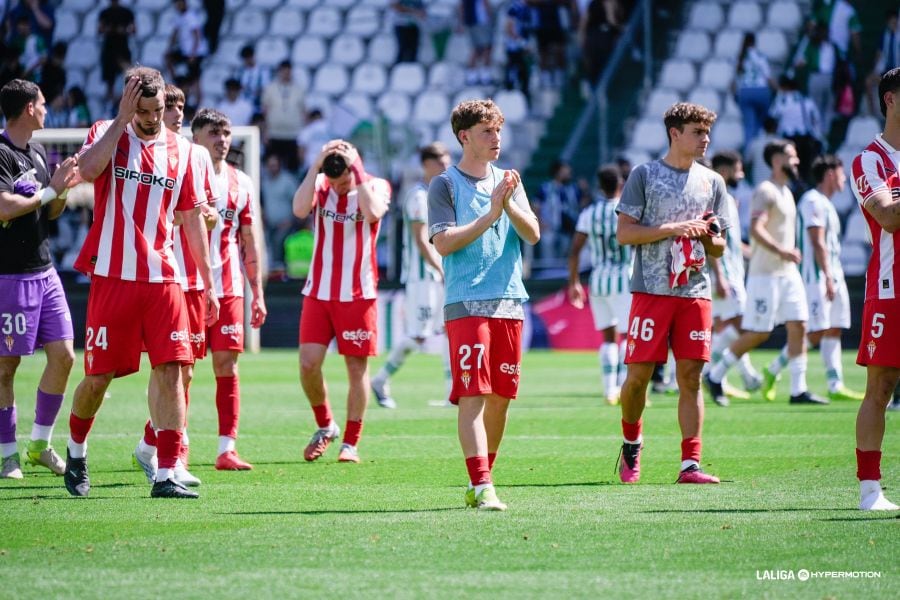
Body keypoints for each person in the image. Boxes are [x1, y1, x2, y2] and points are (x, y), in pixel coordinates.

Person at [63, 67, 219, 499]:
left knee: (172, 370)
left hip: (164, 276)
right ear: (130, 103)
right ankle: (76, 451)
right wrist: (121, 119)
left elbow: (191, 219)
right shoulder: (106, 132)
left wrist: (208, 282)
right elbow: (87, 170)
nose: (152, 119)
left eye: (157, 110)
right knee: (99, 378)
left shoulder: (183, 152)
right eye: (144, 110)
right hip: (114, 276)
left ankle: (166, 471)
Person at [428, 99, 540, 510]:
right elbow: (443, 243)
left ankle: (481, 479)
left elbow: (533, 234)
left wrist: (507, 204)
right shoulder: (444, 185)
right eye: (486, 132)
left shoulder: (509, 180)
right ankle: (482, 484)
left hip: (509, 300)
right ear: (464, 137)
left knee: (501, 398)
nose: (496, 139)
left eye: (498, 131)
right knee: (473, 393)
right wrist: (492, 213)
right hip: (466, 301)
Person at [614, 102, 726, 486]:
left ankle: (690, 464)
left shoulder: (713, 182)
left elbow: (720, 247)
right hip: (652, 290)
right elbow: (624, 233)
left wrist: (707, 236)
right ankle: (632, 442)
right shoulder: (644, 175)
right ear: (674, 134)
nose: (705, 139)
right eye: (697, 132)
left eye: (707, 132)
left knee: (691, 376)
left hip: (695, 290)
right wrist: (673, 228)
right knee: (638, 378)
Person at [132, 84, 218, 488]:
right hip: (160, 275)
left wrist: (202, 216)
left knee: (186, 373)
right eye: (171, 106)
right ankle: (173, 456)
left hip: (192, 278)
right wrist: (190, 214)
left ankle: (151, 445)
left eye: (181, 105)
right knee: (168, 367)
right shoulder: (144, 154)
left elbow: (205, 213)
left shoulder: (194, 155)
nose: (177, 112)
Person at [705, 140, 827, 406]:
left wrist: (786, 254)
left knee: (800, 324)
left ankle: (798, 390)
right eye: (791, 156)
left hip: (788, 272)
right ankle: (715, 375)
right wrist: (783, 251)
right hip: (765, 274)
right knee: (758, 332)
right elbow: (756, 228)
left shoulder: (786, 192)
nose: (796, 161)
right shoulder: (766, 190)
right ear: (776, 160)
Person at [292, 140, 391, 464]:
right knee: (308, 364)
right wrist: (316, 164)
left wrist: (357, 173)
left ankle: (351, 443)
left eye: (343, 180)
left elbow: (373, 213)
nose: (338, 187)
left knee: (356, 368)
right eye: (333, 181)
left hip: (358, 293)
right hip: (319, 291)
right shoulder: (321, 184)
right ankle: (326, 425)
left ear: (354, 168)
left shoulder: (375, 185)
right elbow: (299, 209)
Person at [0, 79, 79, 479]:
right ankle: (7, 454)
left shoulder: (37, 151)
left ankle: (39, 444)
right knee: (6, 365)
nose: (48, 109)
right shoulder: (1, 153)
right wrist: (50, 192)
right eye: (43, 103)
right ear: (29, 108)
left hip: (45, 273)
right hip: (10, 276)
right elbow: (4, 206)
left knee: (64, 356)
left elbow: (50, 211)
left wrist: (61, 190)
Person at [192, 108, 267, 470]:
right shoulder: (184, 174)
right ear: (196, 138)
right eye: (213, 133)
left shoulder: (242, 183)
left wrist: (258, 292)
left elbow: (249, 241)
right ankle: (160, 440)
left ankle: (227, 449)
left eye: (225, 133)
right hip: (189, 285)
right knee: (180, 369)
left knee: (227, 365)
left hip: (229, 287)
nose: (222, 140)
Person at [847, 66, 900, 511]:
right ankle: (870, 490)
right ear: (891, 99)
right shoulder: (870, 160)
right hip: (890, 286)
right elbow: (887, 216)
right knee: (880, 388)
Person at [371, 143, 452, 409]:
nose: (445, 166)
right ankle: (380, 379)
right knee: (418, 336)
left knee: (450, 330)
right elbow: (421, 239)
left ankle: (453, 394)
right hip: (422, 277)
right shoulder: (418, 197)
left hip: (439, 274)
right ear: (426, 164)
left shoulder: (441, 194)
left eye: (447, 161)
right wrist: (439, 268)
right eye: (440, 162)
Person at [788, 155, 862, 401]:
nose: (844, 179)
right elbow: (817, 241)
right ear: (830, 174)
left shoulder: (827, 203)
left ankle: (835, 384)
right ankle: (775, 369)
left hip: (832, 273)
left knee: (834, 326)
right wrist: (828, 276)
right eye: (841, 173)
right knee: (815, 331)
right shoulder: (812, 200)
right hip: (815, 276)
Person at [567, 164, 629, 405]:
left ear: (599, 187)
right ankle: (625, 388)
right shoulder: (628, 210)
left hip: (598, 281)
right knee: (628, 336)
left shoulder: (589, 213)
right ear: (621, 184)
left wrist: (574, 282)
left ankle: (609, 390)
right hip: (624, 279)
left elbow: (574, 250)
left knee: (608, 338)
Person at [706, 151, 762, 406]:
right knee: (746, 327)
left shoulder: (728, 199)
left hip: (733, 271)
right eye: (738, 169)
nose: (741, 174)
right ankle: (715, 374)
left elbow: (733, 242)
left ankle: (726, 374)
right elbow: (712, 241)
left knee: (726, 328)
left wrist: (756, 253)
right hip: (726, 274)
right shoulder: (717, 199)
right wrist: (719, 276)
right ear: (724, 171)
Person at [97, 0, 135, 104]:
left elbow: (133, 30)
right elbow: (99, 30)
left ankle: (128, 99)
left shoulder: (127, 12)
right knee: (110, 82)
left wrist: (123, 30)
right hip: (109, 49)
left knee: (128, 74)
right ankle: (110, 104)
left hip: (122, 47)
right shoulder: (105, 13)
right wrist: (108, 29)